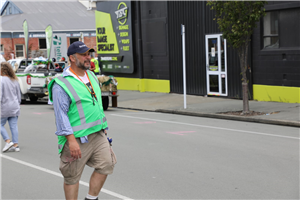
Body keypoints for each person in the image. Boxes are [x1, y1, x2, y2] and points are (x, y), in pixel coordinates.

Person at [48, 41, 116, 200]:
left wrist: (104, 128)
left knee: (106, 164)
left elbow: (96, 105)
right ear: (72, 58)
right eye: (84, 55)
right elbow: (61, 116)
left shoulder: (91, 75)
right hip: (76, 138)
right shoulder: (61, 84)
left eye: (89, 54)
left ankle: (91, 198)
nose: (88, 58)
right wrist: (71, 140)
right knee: (72, 176)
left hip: (98, 134)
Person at [0, 62, 21, 152]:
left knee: (0, 124)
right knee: (13, 126)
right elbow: (18, 95)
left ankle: (8, 141)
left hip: (4, 106)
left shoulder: (1, 80)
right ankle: (15, 145)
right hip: (15, 106)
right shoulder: (14, 80)